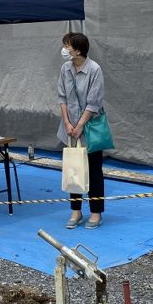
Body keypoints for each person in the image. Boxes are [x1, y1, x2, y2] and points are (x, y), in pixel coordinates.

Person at [57, 32, 106, 229]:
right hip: (69, 128)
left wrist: (79, 126)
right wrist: (68, 123)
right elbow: (61, 97)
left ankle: (96, 212)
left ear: (77, 49)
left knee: (94, 170)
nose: (64, 49)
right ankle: (75, 211)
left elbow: (94, 102)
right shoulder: (65, 68)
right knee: (72, 168)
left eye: (67, 46)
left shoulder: (94, 69)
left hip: (90, 127)